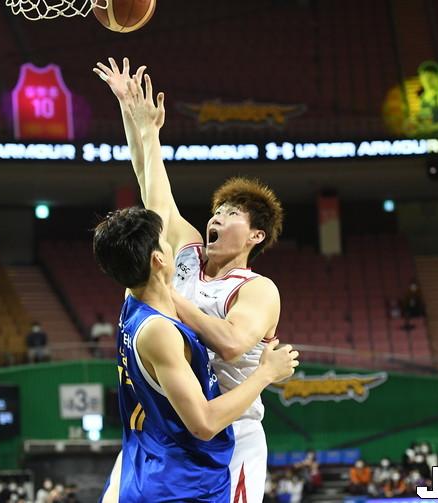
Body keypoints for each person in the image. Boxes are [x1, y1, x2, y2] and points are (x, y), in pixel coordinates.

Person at [94, 57, 285, 503]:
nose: (216, 217)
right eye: (216, 210)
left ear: (255, 236)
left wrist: (160, 296)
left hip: (230, 428)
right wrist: (138, 120)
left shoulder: (257, 289)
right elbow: (150, 182)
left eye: (231, 214)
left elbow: (232, 343)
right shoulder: (185, 251)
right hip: (166, 423)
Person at [93, 207, 298, 502]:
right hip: (181, 468)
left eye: (231, 213)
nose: (173, 245)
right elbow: (205, 421)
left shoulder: (132, 300)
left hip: (149, 451)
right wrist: (266, 373)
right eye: (165, 242)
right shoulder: (159, 331)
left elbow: (157, 197)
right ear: (158, 260)